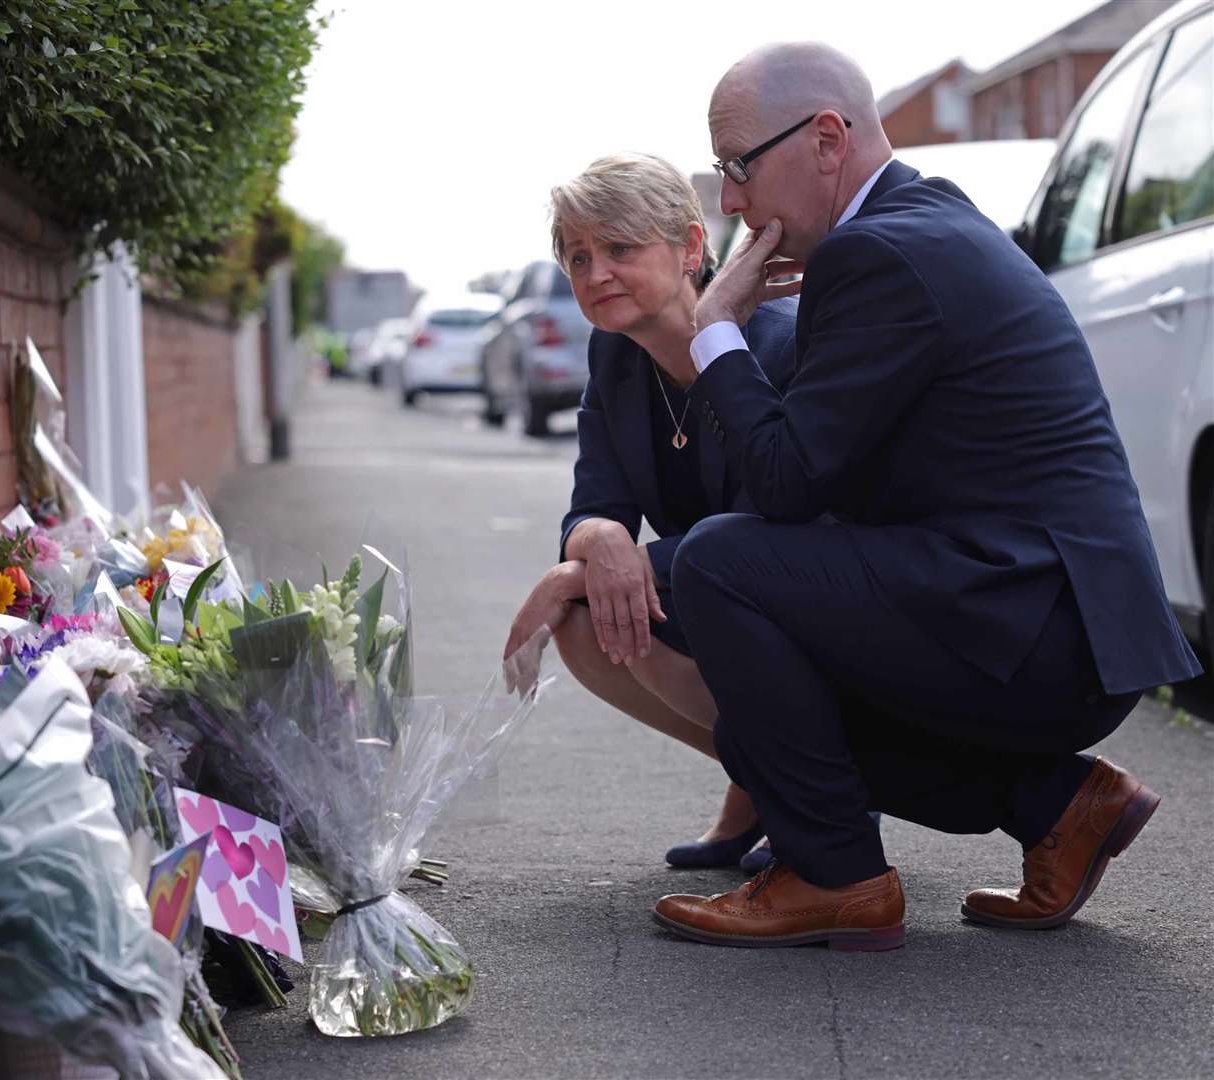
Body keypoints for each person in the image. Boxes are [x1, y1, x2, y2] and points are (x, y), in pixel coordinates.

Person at [650, 42, 1202, 951]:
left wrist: (715, 331)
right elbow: (822, 467)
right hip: (1038, 616)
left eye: (737, 168)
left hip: (1035, 626)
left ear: (826, 138)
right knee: (719, 651)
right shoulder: (912, 226)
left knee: (716, 567)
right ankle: (1061, 806)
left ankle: (835, 877)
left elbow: (782, 483)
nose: (734, 201)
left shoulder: (883, 251)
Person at [503, 152, 812, 870]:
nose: (593, 273)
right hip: (720, 597)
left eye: (619, 248)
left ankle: (818, 786)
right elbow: (591, 504)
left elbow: (772, 526)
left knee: (584, 596)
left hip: (815, 602)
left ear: (691, 248)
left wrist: (565, 576)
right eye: (576, 256)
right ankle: (764, 779)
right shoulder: (614, 358)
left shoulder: (779, 344)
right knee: (588, 625)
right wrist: (600, 536)